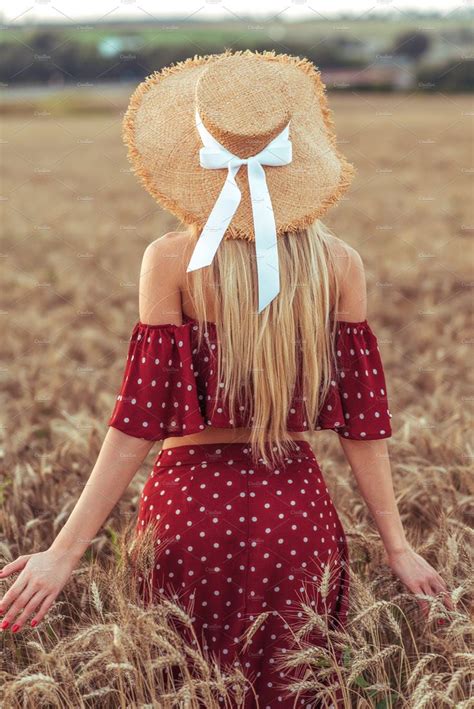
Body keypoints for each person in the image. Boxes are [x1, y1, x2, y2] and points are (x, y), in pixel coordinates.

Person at [0, 49, 453, 707]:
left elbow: (137, 420)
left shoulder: (172, 261)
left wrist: (63, 552)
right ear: (299, 153)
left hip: (188, 516)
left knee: (185, 689)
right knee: (293, 689)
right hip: (292, 519)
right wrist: (399, 546)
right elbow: (364, 422)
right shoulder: (340, 264)